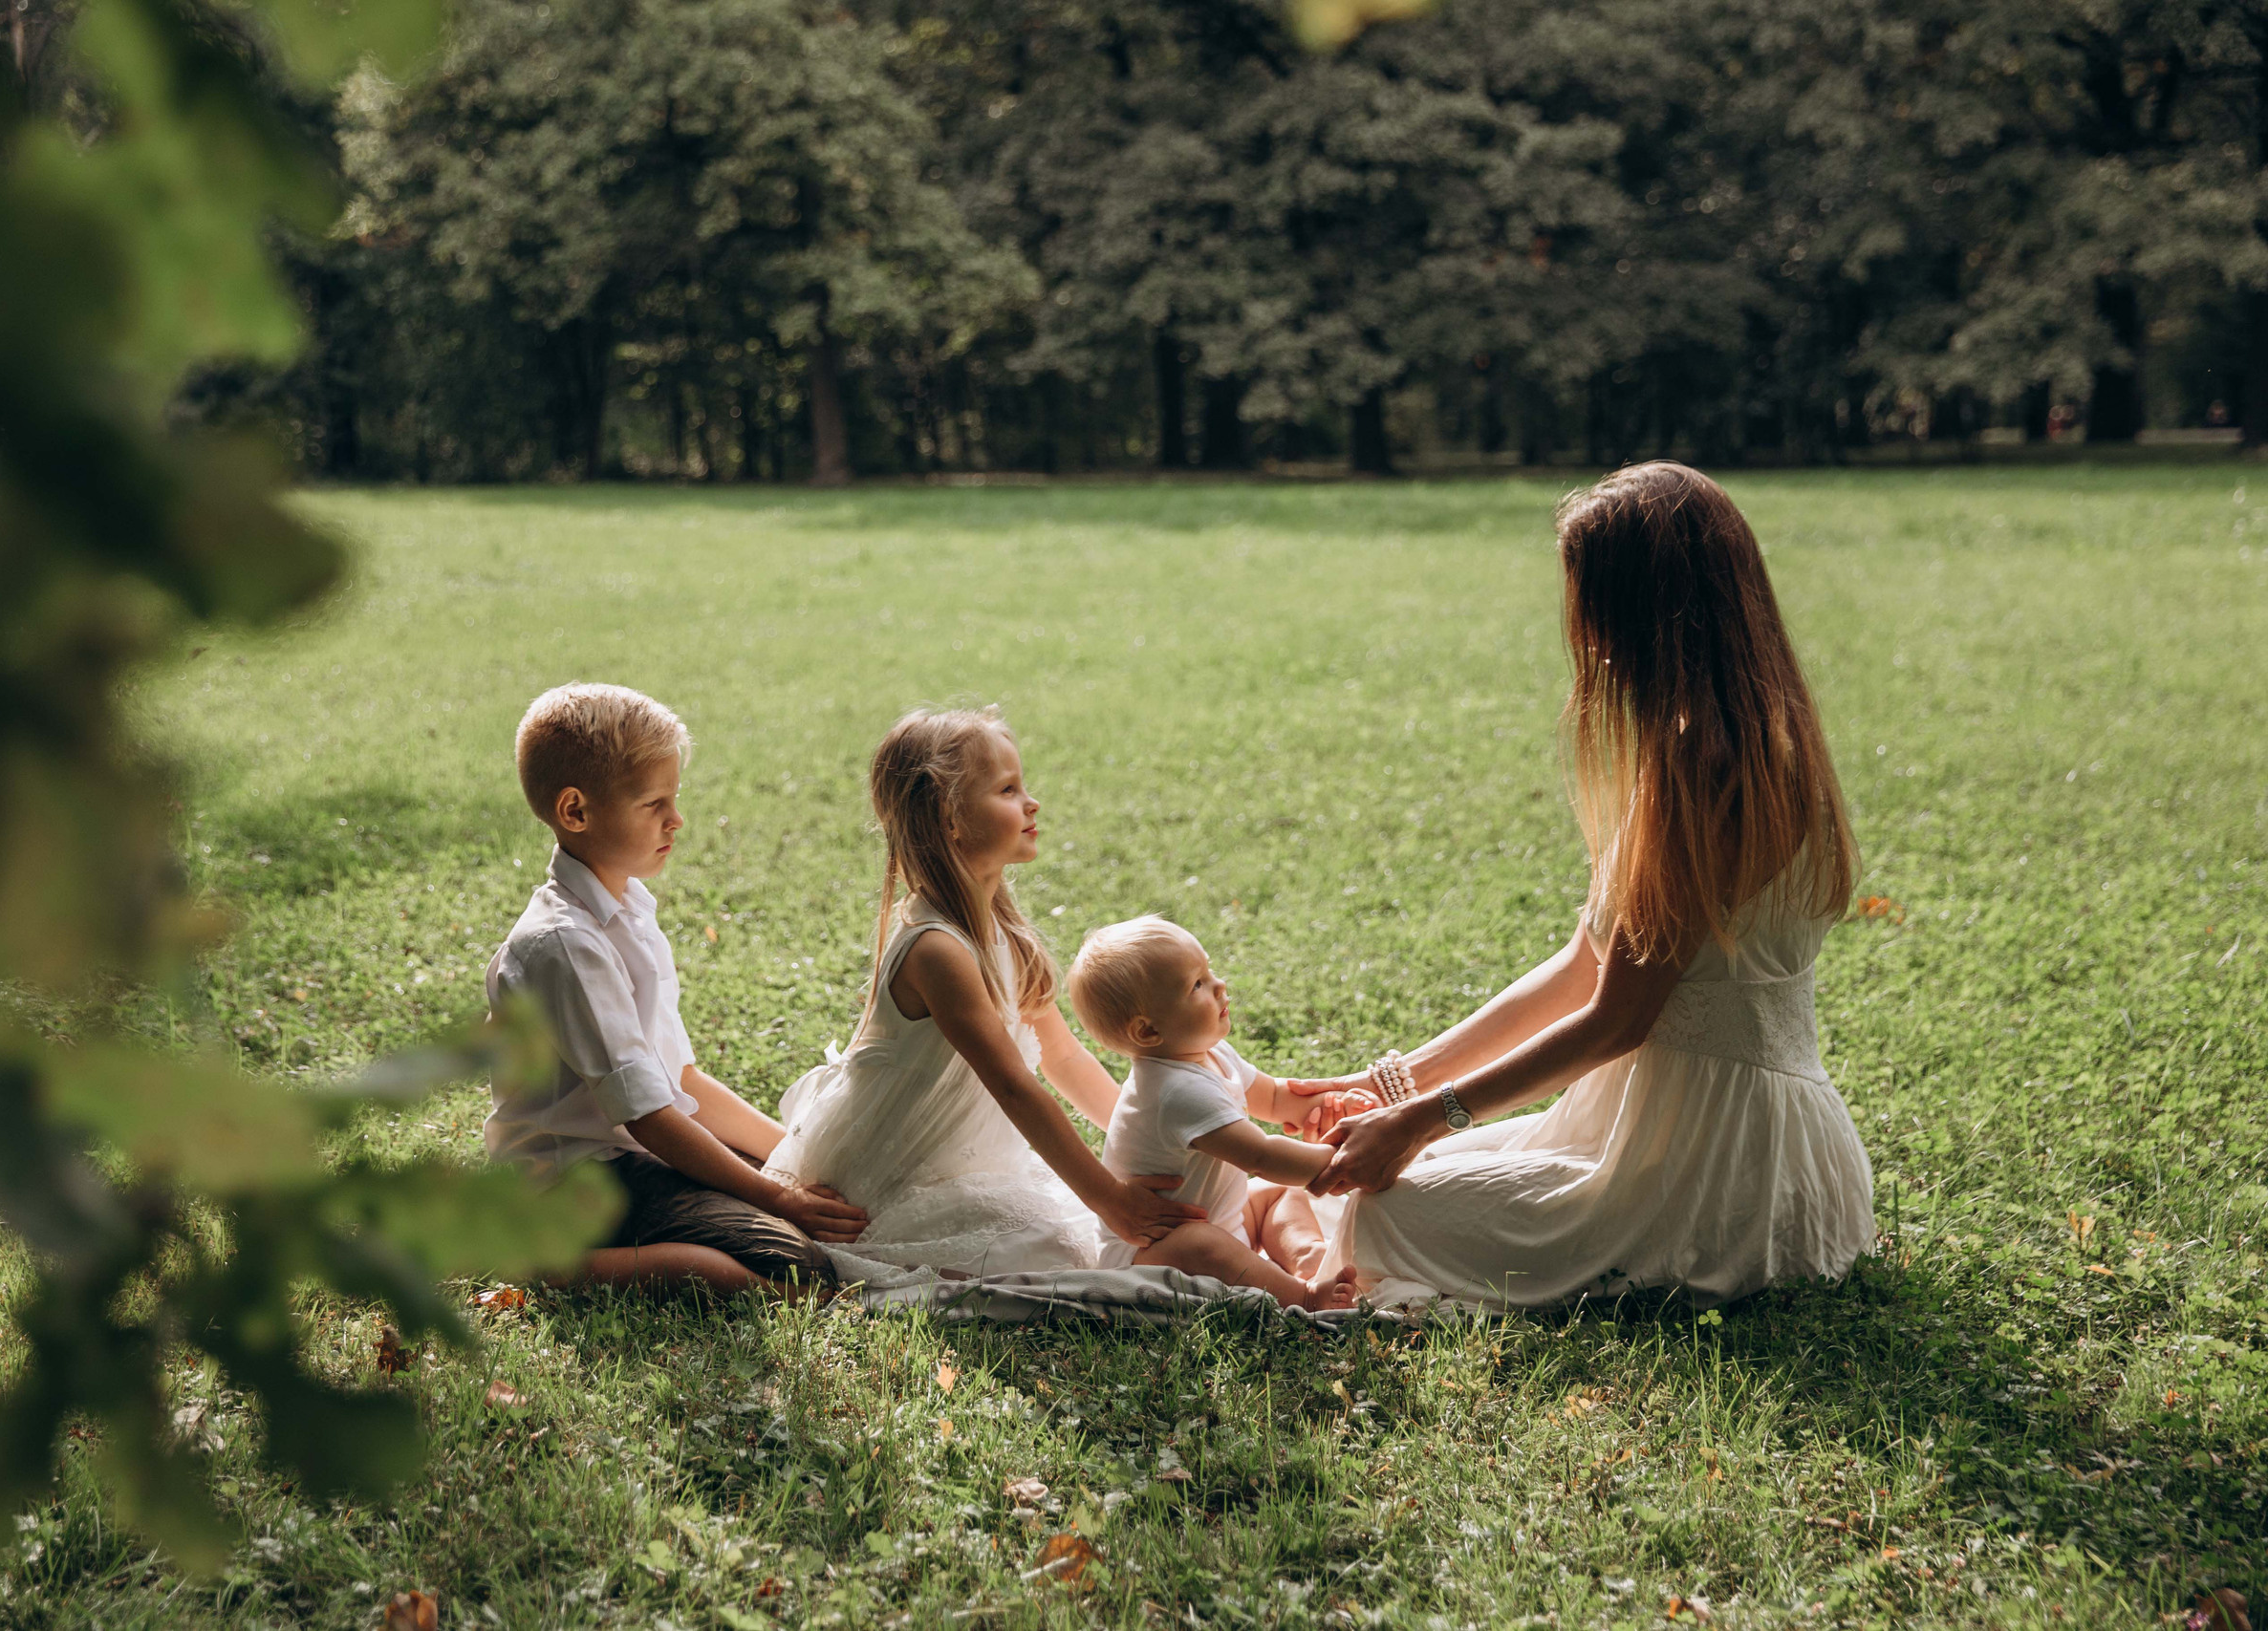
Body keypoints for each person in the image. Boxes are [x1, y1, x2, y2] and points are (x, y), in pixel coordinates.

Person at [1290, 462, 1876, 1310]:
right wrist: (1395, 1086)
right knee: (1361, 1179)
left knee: (1375, 1212)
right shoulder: (1752, 738)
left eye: (1588, 602)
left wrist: (1419, 1121)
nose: (1583, 634)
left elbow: (1616, 1018)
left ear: (1640, 612)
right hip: (1710, 1134)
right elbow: (1581, 968)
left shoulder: (1704, 771)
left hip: (1714, 1164)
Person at [764, 707, 1215, 1277]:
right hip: (898, 1181)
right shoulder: (937, 950)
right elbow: (1013, 1086)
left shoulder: (1007, 933)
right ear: (949, 819)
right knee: (1056, 1251)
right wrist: (1111, 1200)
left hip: (970, 1162)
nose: (1032, 803)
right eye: (1007, 789)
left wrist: (1127, 1150)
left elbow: (1065, 1058)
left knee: (1083, 1228)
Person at [484, 683, 868, 1296]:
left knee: (821, 1216)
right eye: (653, 803)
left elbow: (680, 1083)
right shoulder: (563, 944)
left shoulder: (628, 911)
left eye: (675, 798)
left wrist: (791, 1157)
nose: (676, 819)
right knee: (800, 1271)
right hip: (576, 1182)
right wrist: (777, 1196)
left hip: (639, 1160)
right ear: (576, 811)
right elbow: (647, 1116)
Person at [1066, 916, 1362, 1308]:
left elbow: (1272, 1097)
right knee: (1202, 1241)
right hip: (1156, 1256)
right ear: (1148, 1031)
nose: (1220, 985)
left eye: (1209, 971)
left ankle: (1305, 1254)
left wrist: (1330, 1106)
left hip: (1224, 1220)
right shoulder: (1175, 1093)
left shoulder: (1211, 1054)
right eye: (1197, 985)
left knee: (1275, 1195)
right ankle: (1302, 1296)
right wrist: (1346, 1157)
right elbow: (1262, 1155)